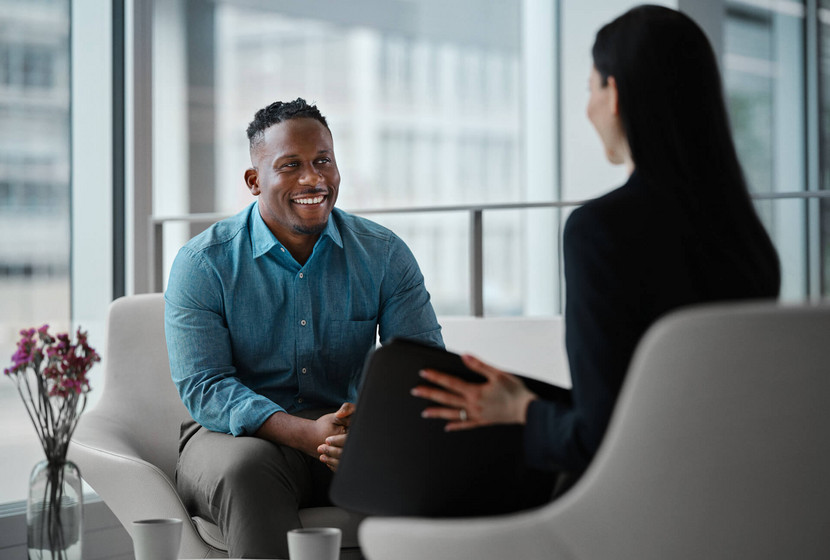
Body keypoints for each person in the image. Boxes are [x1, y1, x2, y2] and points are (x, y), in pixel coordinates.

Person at [412, 4, 780, 494]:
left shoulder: (601, 231)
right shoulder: (751, 241)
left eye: (590, 88)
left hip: (640, 504)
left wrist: (520, 409)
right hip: (747, 492)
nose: (587, 108)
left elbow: (601, 437)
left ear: (615, 94)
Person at [164, 98, 443, 558]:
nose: (313, 179)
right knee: (247, 470)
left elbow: (423, 369)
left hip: (345, 437)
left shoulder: (384, 254)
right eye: (290, 165)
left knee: (443, 457)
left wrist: (371, 429)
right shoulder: (203, 263)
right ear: (254, 181)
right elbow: (205, 385)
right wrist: (304, 433)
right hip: (236, 441)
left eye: (323, 162)